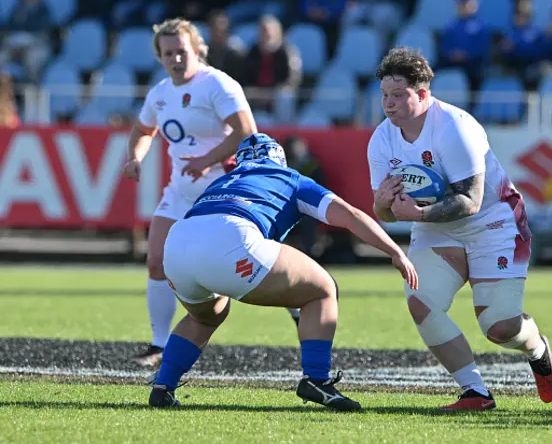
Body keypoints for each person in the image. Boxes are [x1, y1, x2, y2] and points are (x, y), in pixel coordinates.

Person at [148, 133, 418, 410]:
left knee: (203, 318)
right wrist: (395, 252)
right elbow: (350, 216)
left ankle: (163, 385)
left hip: (177, 244)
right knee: (322, 290)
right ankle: (317, 379)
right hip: (232, 238)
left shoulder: (223, 180)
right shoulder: (291, 178)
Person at [367, 47, 552, 411]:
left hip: (492, 222)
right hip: (438, 229)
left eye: (398, 95)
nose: (388, 105)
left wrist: (418, 216)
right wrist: (383, 205)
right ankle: (475, 392)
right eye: (384, 96)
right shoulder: (382, 139)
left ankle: (537, 348)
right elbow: (386, 214)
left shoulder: (454, 126)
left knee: (499, 328)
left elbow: (469, 200)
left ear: (422, 93)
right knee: (421, 304)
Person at [122, 18, 300, 368]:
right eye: (168, 53)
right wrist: (135, 158)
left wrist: (207, 159)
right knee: (156, 261)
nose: (176, 59)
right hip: (182, 190)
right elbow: (143, 129)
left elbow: (247, 132)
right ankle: (159, 344)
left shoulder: (217, 84)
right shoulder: (159, 94)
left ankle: (299, 300)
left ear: (197, 50)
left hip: (226, 188)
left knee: (254, 264)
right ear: (159, 57)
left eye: (182, 52)